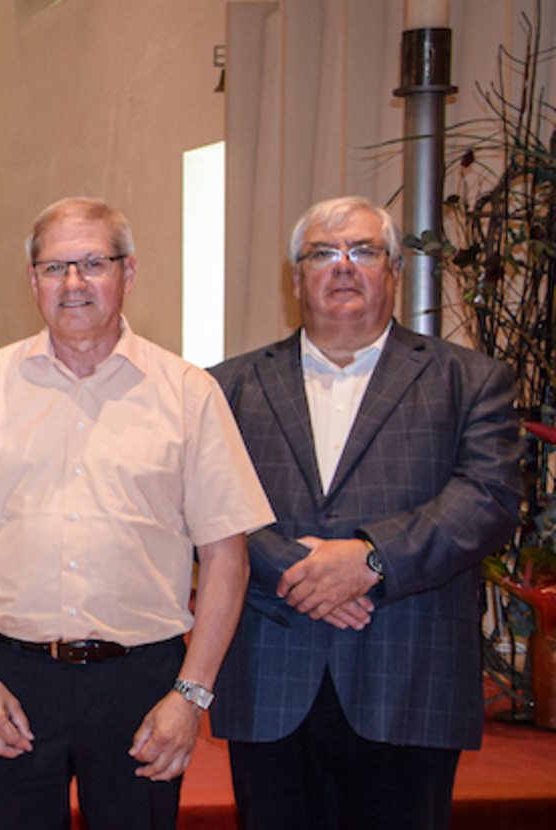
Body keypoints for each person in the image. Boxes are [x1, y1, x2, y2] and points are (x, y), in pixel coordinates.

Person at [0, 196, 272, 830]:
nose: (73, 282)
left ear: (129, 272)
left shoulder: (188, 393)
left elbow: (225, 555)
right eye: (54, 267)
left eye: (93, 263)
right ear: (33, 281)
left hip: (141, 683)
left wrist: (190, 697)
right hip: (15, 679)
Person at [208, 197, 523, 830]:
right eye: (323, 253)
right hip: (271, 673)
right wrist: (295, 569)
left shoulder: (470, 380)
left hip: (408, 676)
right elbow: (206, 504)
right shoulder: (225, 387)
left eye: (364, 251)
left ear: (395, 272)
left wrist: (373, 560)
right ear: (295, 278)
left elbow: (487, 498)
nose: (343, 266)